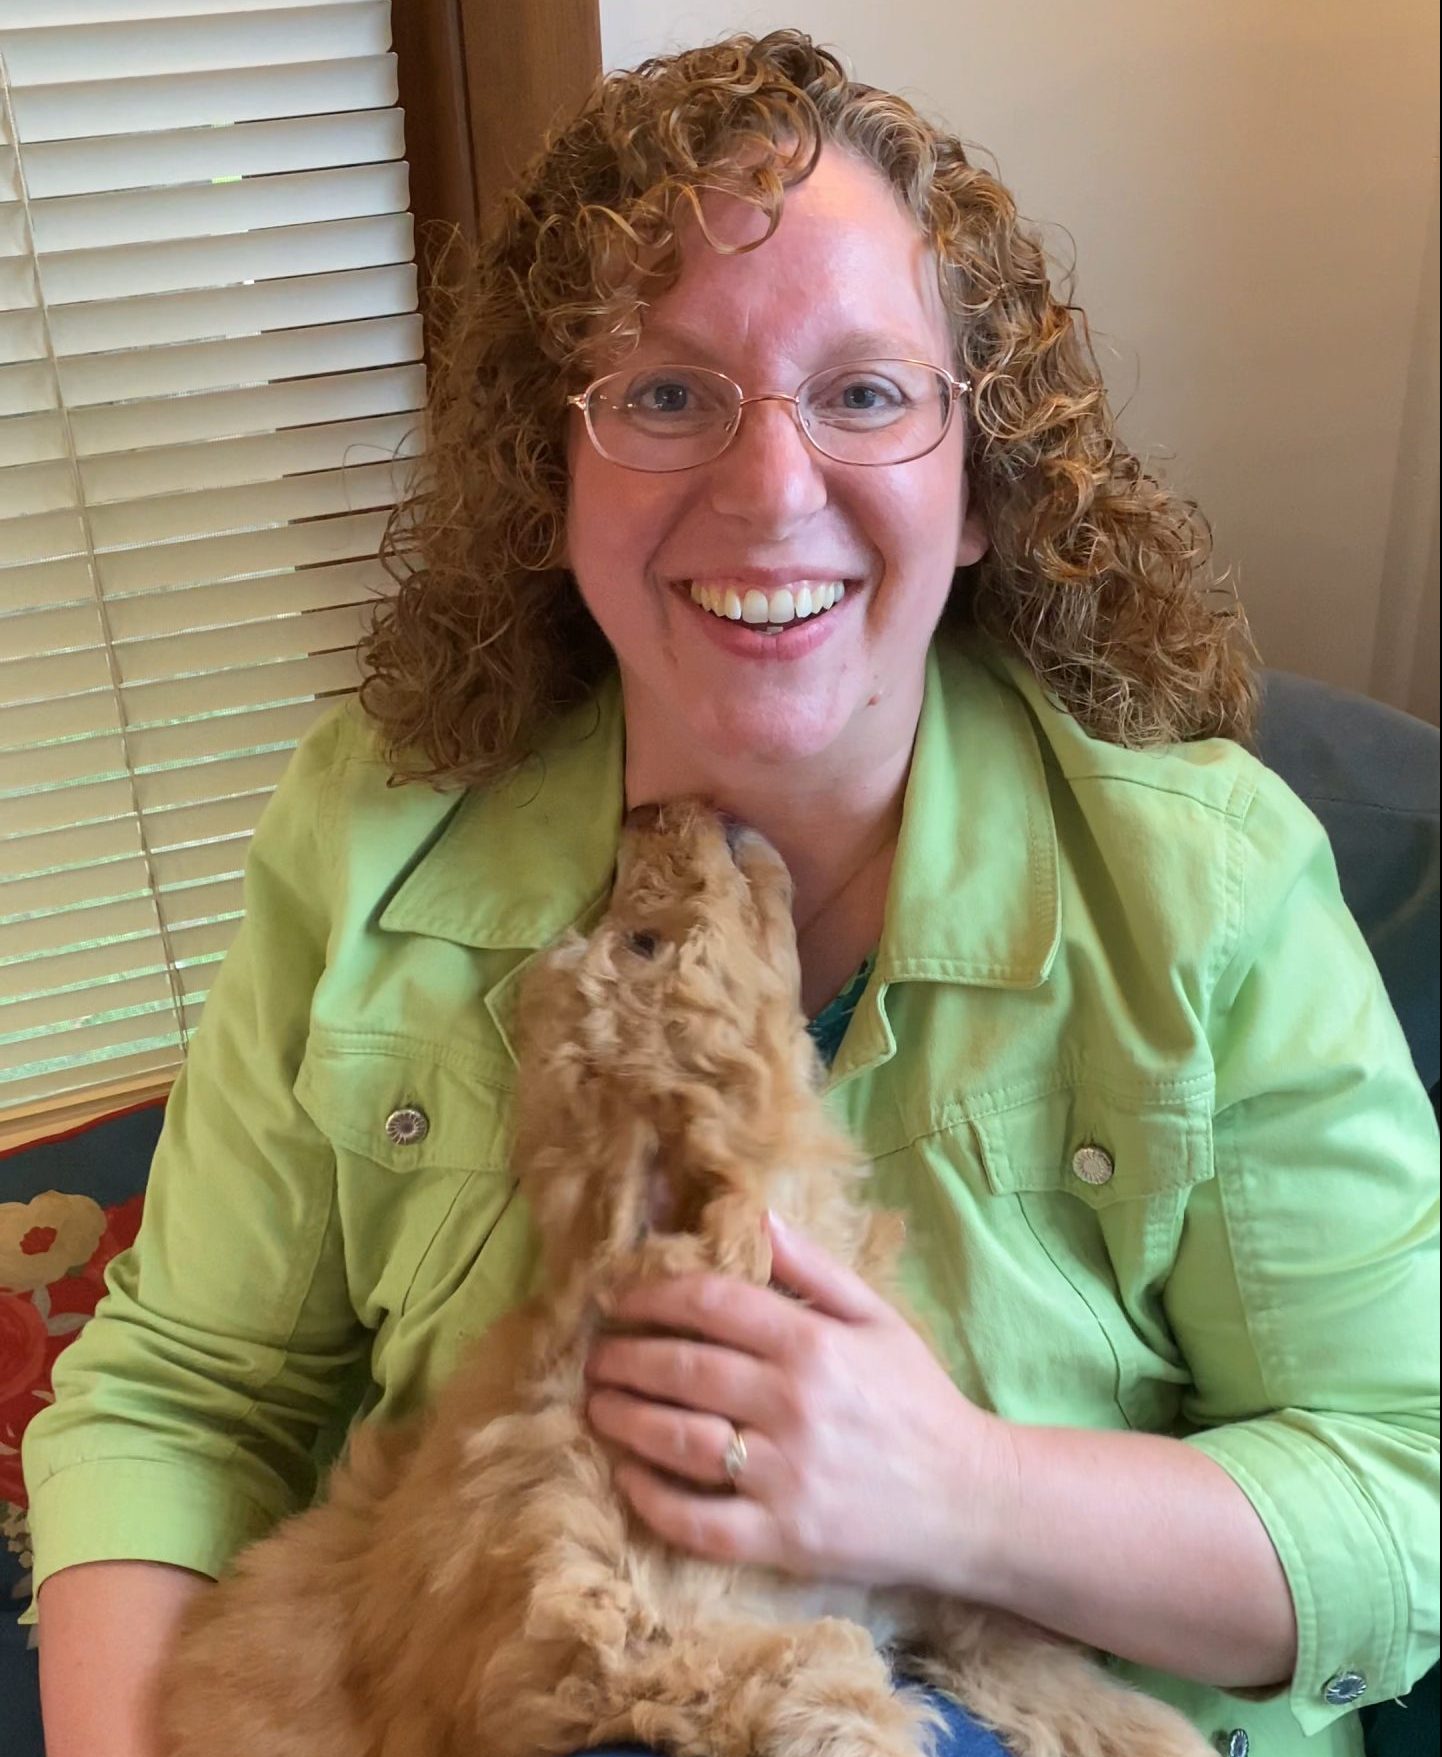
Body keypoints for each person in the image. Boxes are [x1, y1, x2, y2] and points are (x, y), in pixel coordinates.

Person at [23, 30, 1438, 1757]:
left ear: (978, 475)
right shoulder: (364, 831)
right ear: (550, 471)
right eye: (666, 394)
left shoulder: (1207, 886)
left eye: (862, 393)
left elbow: (1405, 1494)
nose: (769, 494)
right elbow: (183, 1396)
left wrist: (962, 1494)